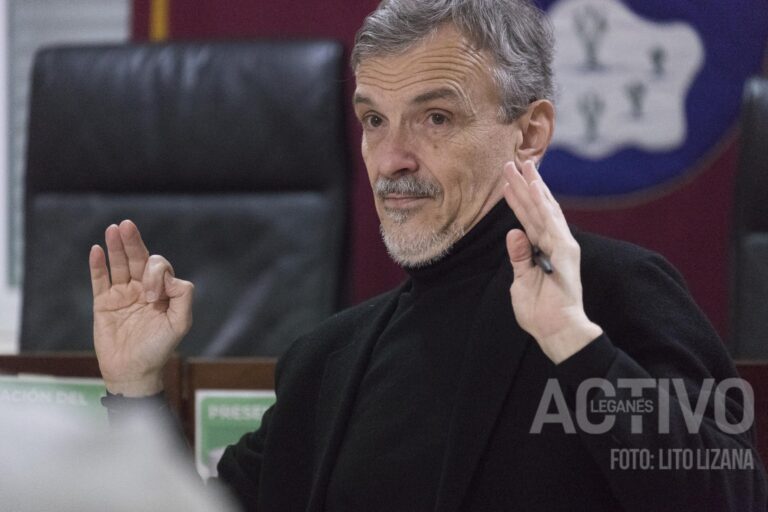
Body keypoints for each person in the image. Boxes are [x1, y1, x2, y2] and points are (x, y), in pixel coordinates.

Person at [88, 0, 768, 510]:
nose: (391, 159)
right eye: (374, 120)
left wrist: (576, 343)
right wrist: (136, 392)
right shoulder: (328, 360)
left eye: (435, 117)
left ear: (529, 132)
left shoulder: (617, 294)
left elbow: (733, 497)